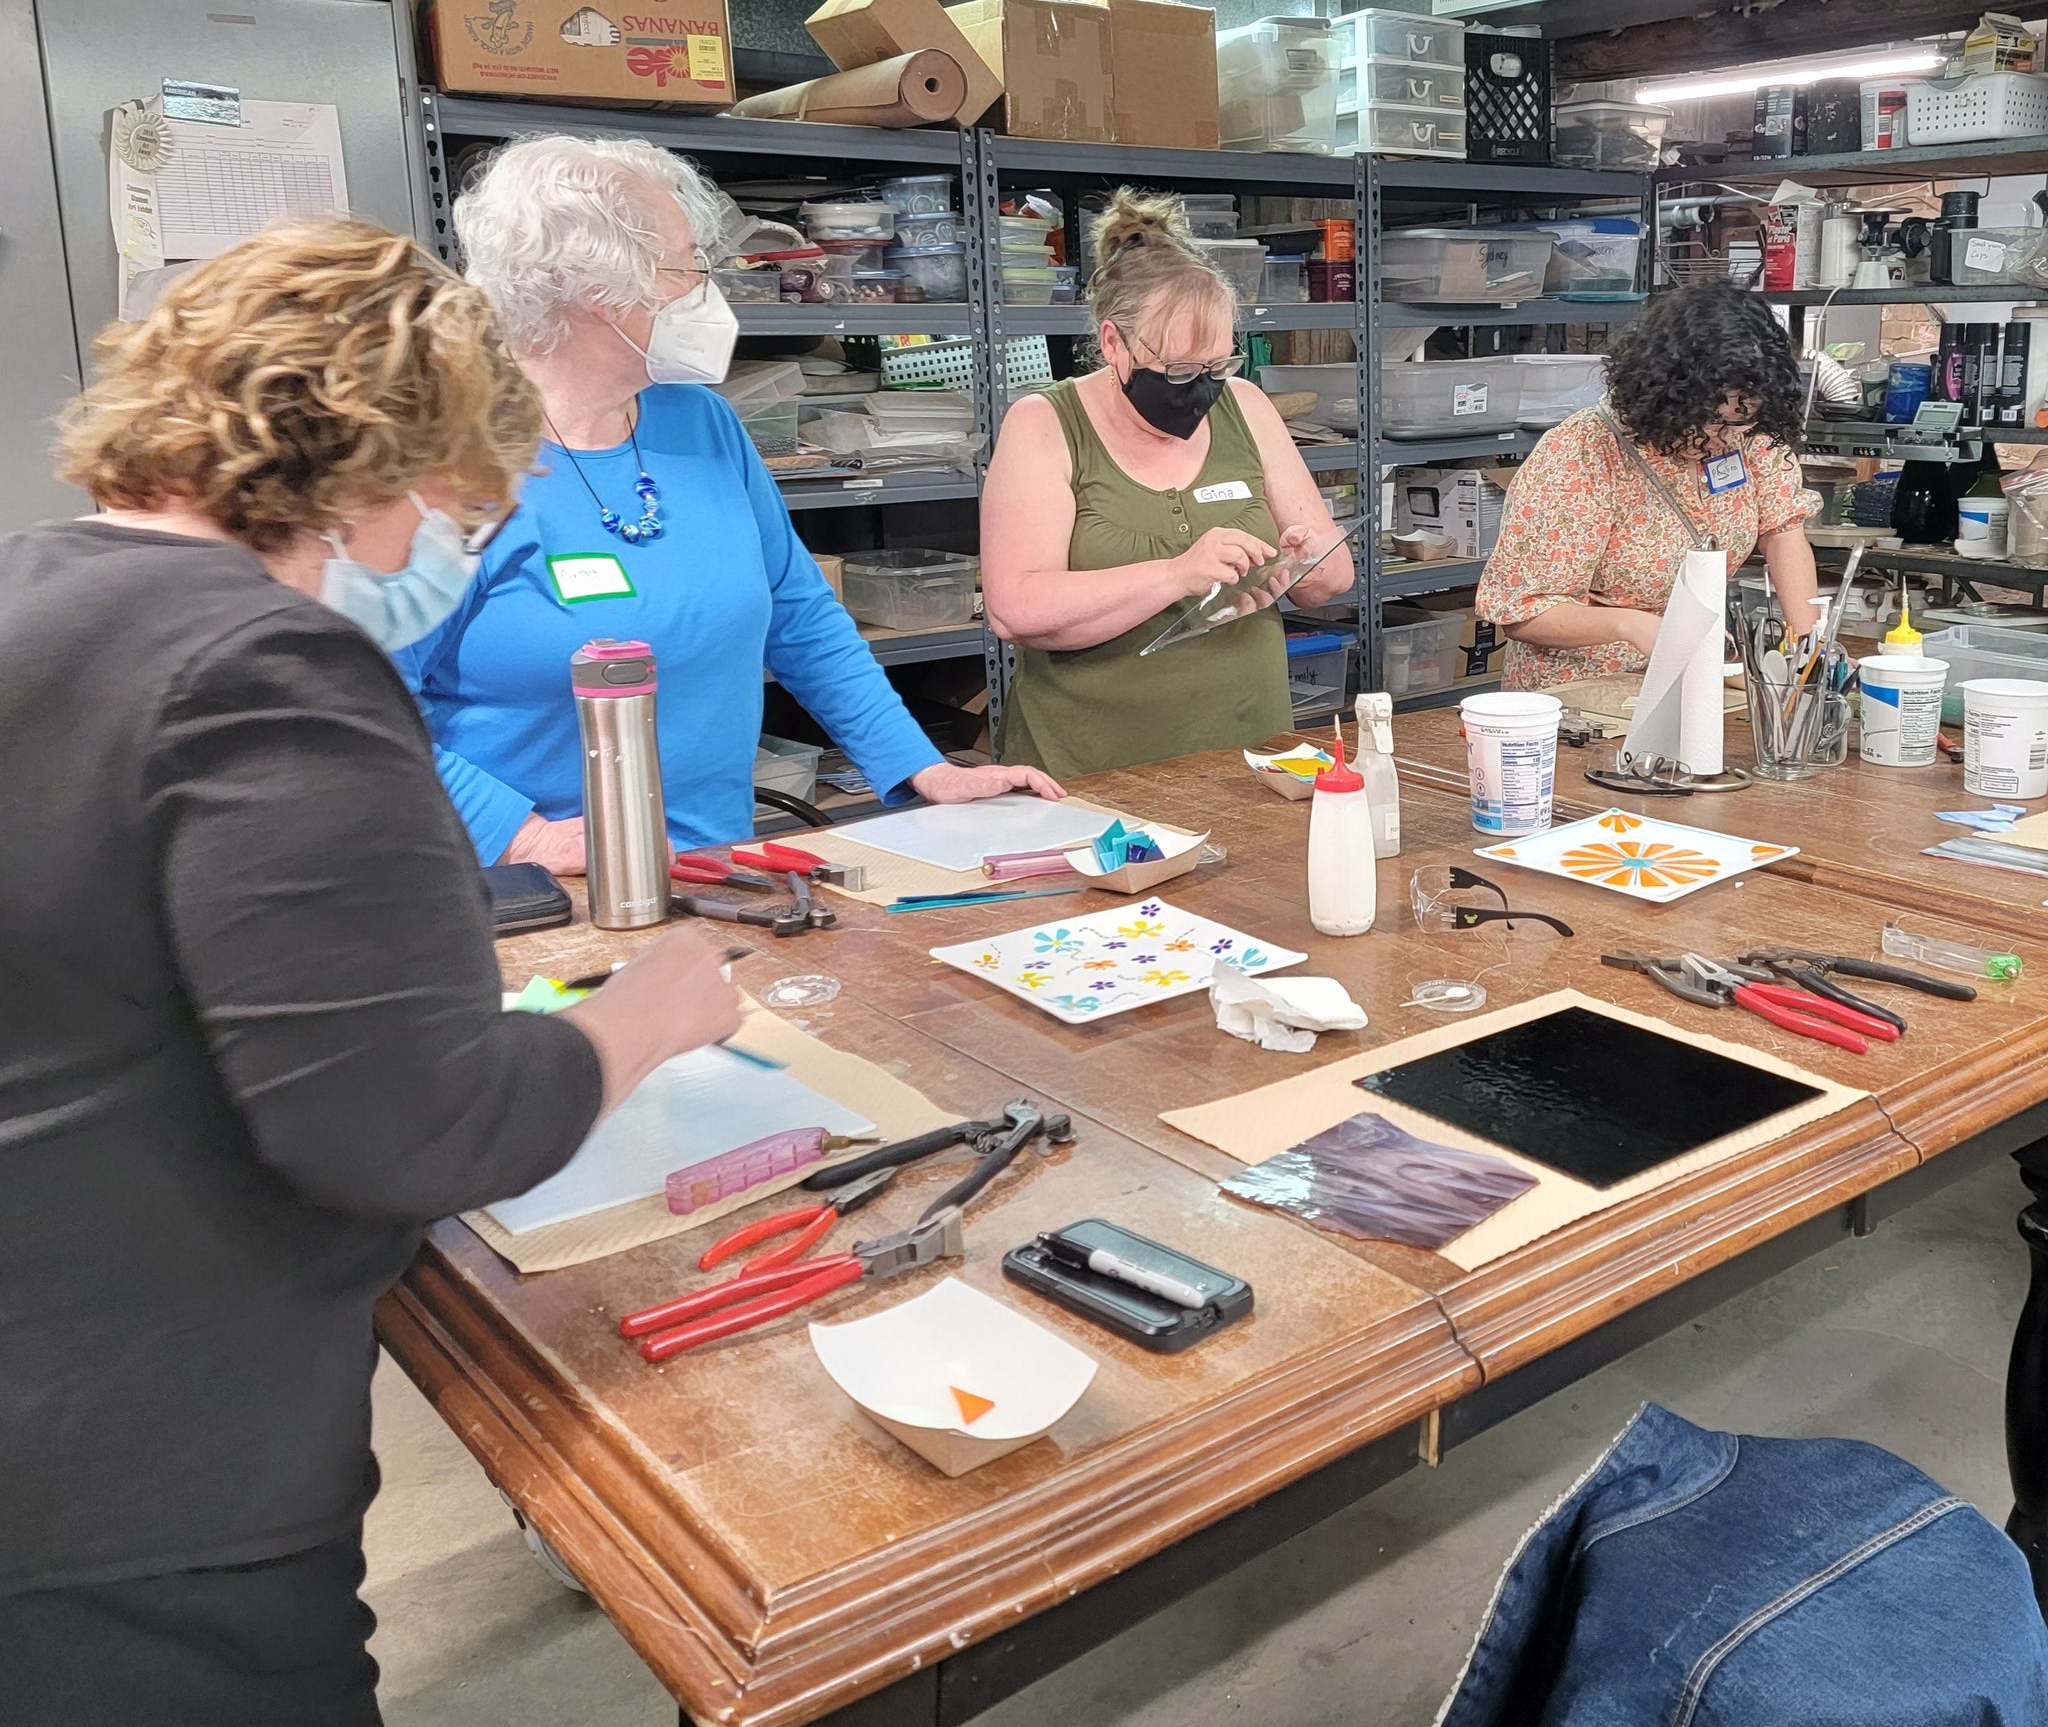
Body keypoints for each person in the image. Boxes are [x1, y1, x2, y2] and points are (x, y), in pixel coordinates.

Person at [0, 220, 741, 1726]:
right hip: (133, 1474)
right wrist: (641, 1018)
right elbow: (417, 1128)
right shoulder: (266, 670)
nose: (438, 545)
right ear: (369, 469)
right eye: (446, 499)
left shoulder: (33, 591)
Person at [410, 134, 1059, 871]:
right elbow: (362, 711)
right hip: (533, 889)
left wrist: (922, 768)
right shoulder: (444, 464)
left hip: (714, 865)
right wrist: (527, 838)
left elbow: (801, 616)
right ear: (596, 288)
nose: (708, 290)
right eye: (687, 267)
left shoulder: (699, 422)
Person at [979, 189, 1354, 776]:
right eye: (1179, 369)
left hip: (1251, 750)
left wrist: (1305, 560)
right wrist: (1178, 572)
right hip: (1093, 764)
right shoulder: (1045, 425)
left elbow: (1328, 578)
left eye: (1217, 366)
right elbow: (1016, 609)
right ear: (1113, 344)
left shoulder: (1246, 407)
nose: (1200, 389)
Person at [1476, 282, 1820, 690]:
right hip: (1582, 692)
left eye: (1743, 420)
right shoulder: (1582, 454)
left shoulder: (1748, 435)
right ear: (1668, 399)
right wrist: (1632, 626)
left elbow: (1782, 530)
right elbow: (1524, 612)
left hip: (1691, 674)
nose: (1730, 437)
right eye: (1715, 421)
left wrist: (1808, 647)